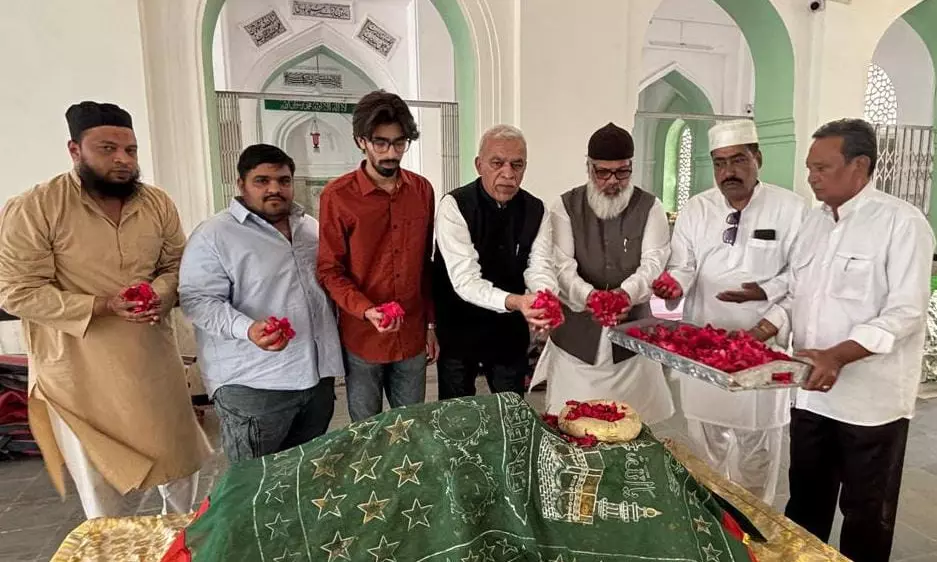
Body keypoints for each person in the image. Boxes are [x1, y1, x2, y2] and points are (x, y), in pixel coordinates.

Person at [0, 101, 209, 519]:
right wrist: (103, 305)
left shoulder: (156, 203)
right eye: (108, 149)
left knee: (178, 460)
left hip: (150, 359)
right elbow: (16, 291)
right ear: (74, 150)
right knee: (100, 485)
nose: (123, 160)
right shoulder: (36, 207)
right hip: (78, 370)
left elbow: (177, 265)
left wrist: (159, 293)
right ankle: (109, 545)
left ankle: (180, 538)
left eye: (130, 150)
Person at [752, 119, 934, 562]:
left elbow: (906, 312)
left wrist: (837, 355)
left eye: (822, 168)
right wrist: (759, 332)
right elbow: (797, 294)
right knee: (805, 506)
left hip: (870, 405)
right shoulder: (813, 224)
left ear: (860, 165)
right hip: (811, 395)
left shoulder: (901, 223)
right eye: (809, 168)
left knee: (866, 515)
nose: (812, 178)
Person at [653, 120, 806, 504]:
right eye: (719, 163)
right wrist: (675, 284)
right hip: (706, 347)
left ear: (758, 159)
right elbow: (684, 265)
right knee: (705, 449)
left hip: (764, 350)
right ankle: (713, 522)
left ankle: (753, 524)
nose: (728, 172)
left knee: (759, 453)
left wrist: (765, 327)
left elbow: (803, 280)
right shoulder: (697, 208)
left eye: (738, 160)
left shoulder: (791, 210)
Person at [179, 144, 344, 462]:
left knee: (303, 476)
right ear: (240, 184)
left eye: (283, 180)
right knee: (254, 482)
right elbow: (198, 301)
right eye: (262, 181)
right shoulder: (215, 235)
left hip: (316, 380)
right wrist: (248, 329)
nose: (274, 189)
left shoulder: (310, 228)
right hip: (254, 385)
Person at [530, 123, 674, 422]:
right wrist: (591, 297)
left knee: (636, 426)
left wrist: (626, 295)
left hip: (633, 342)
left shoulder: (650, 207)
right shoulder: (564, 206)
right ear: (589, 167)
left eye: (622, 172)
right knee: (572, 424)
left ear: (631, 167)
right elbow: (562, 266)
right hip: (576, 345)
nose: (612, 182)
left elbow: (653, 262)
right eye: (603, 173)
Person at [316, 91, 436, 422]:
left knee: (411, 428)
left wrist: (430, 324)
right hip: (363, 338)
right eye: (380, 143)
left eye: (399, 143)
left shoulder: (422, 191)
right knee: (366, 433)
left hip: (411, 336)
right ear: (361, 141)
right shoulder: (337, 196)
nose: (391, 153)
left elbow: (425, 265)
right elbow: (329, 270)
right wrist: (366, 310)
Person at [433, 125, 557, 399]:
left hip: (507, 333)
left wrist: (542, 298)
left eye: (517, 165)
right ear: (479, 165)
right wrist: (517, 301)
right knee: (458, 414)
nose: (508, 174)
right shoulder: (454, 206)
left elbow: (539, 266)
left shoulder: (536, 209)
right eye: (497, 163)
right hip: (459, 328)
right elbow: (465, 280)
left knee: (511, 411)